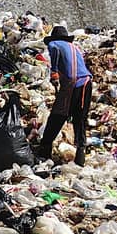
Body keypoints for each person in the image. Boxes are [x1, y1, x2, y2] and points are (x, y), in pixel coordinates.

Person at [36, 25, 93, 167]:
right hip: (86, 83)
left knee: (58, 114)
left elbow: (54, 51)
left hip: (73, 84)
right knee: (80, 118)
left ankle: (45, 148)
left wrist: (54, 72)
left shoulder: (54, 44)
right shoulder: (75, 48)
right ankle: (80, 155)